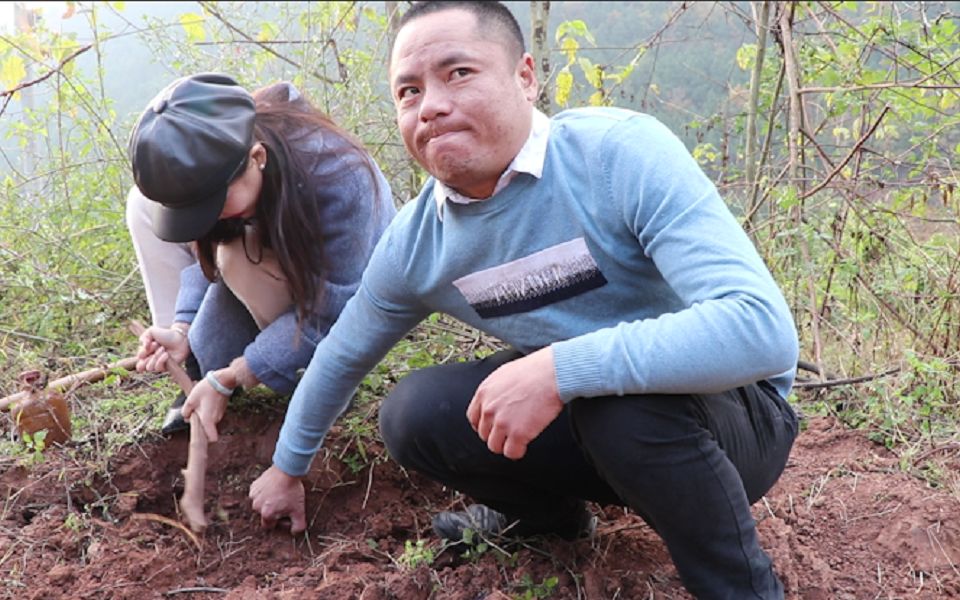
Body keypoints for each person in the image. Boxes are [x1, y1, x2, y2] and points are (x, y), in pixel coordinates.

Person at [249, 2, 799, 598]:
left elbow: (760, 330)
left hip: (731, 422)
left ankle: (741, 587)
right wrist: (287, 468)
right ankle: (549, 519)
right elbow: (342, 355)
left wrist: (560, 369)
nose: (430, 104)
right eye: (409, 91)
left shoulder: (618, 156)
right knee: (414, 413)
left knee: (619, 406)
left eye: (459, 73)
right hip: (594, 424)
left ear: (526, 78)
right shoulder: (416, 244)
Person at [126, 73, 396, 439]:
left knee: (238, 263)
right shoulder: (218, 170)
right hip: (270, 251)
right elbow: (203, 251)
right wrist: (183, 328)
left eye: (212, 204)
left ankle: (318, 375)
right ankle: (194, 361)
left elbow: (330, 308)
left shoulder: (340, 177)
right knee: (208, 341)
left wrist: (235, 374)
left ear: (257, 158)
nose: (206, 217)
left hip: (353, 286)